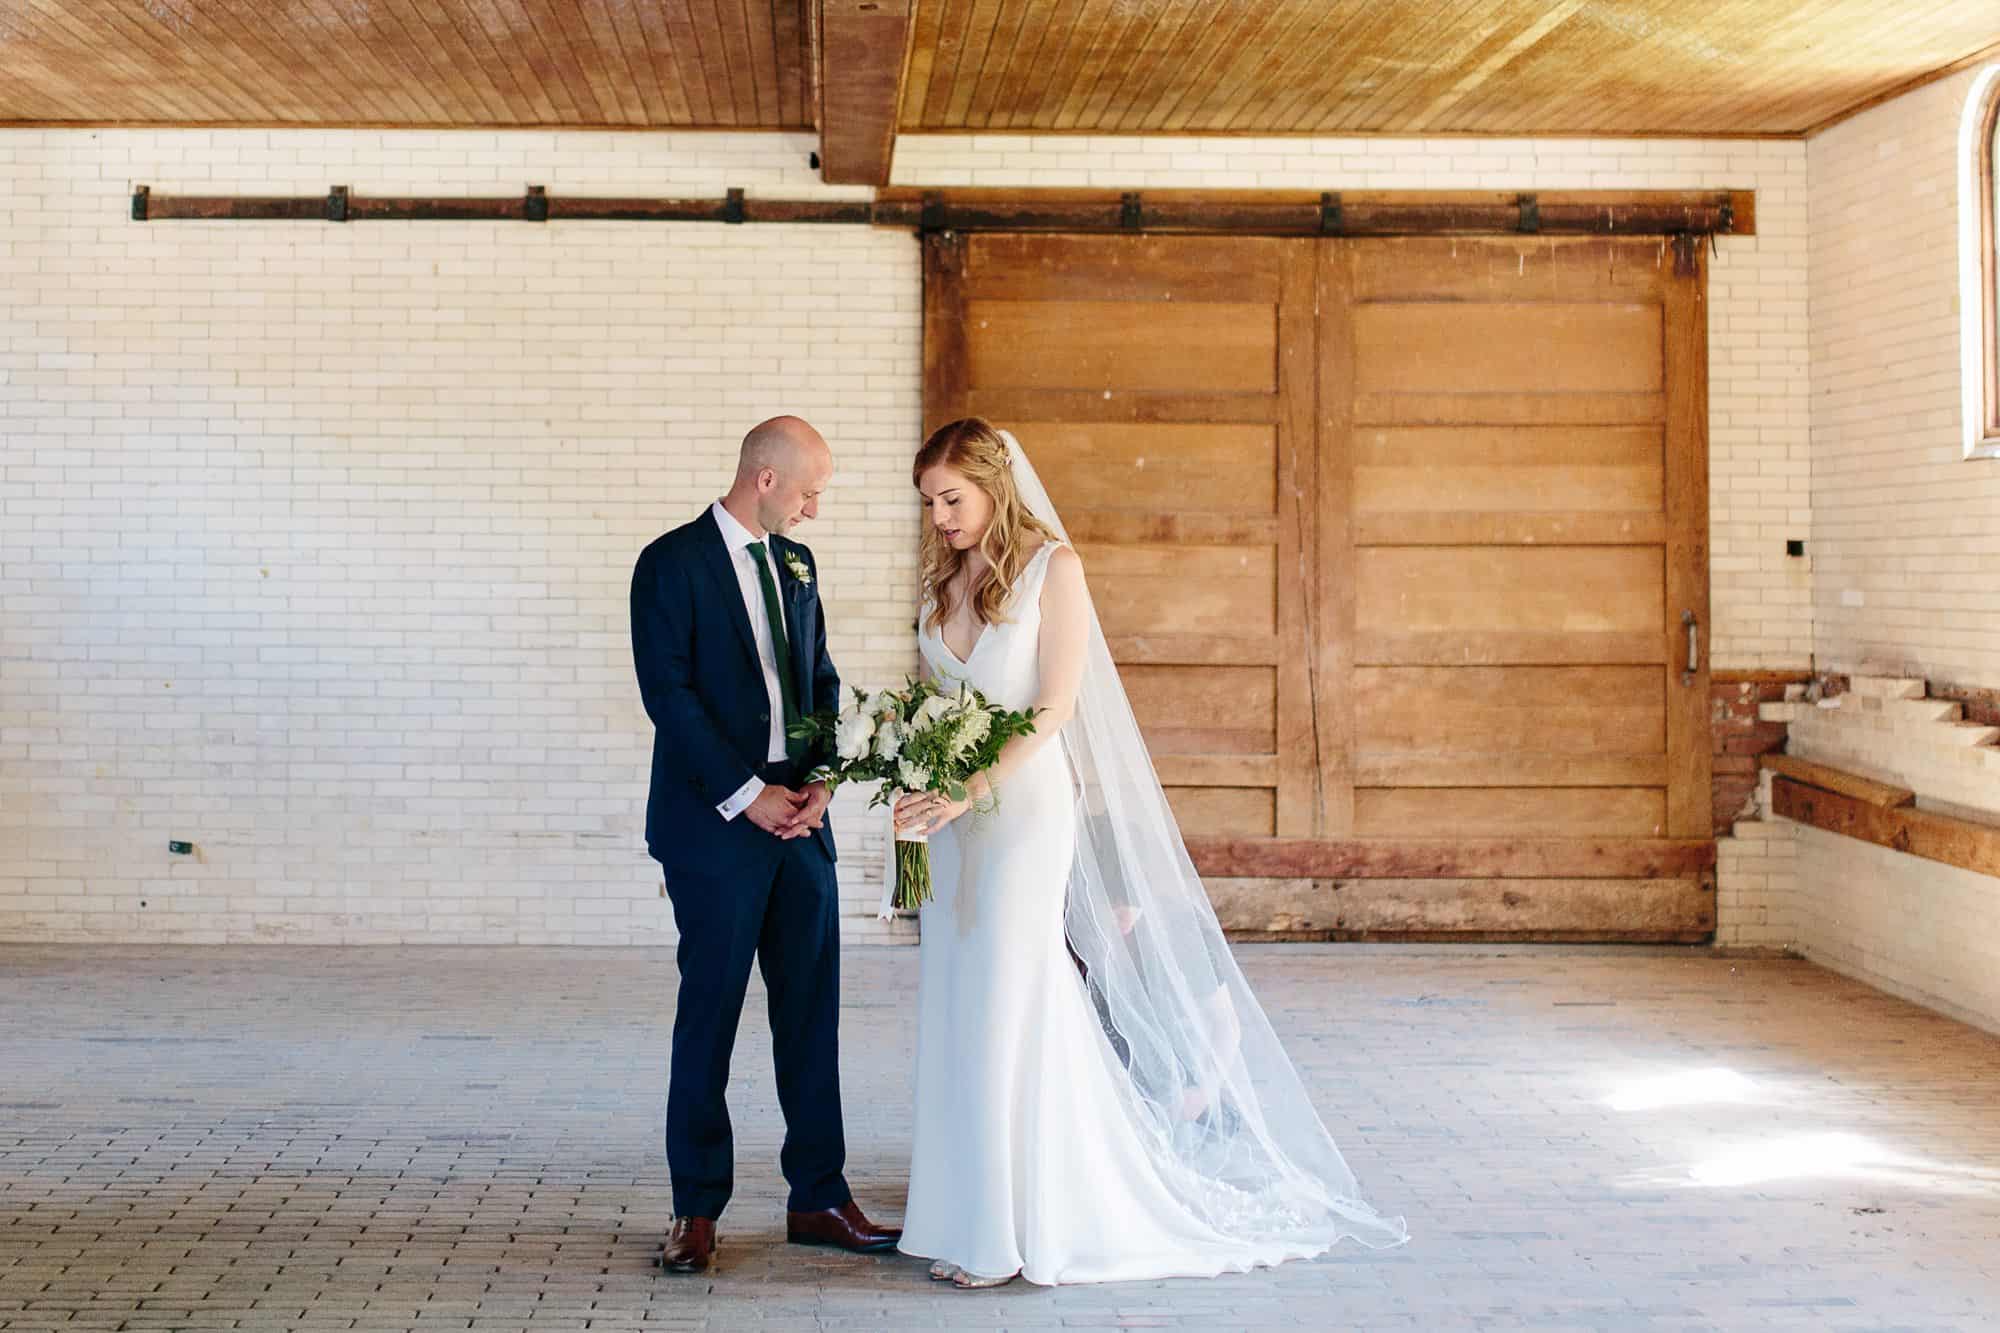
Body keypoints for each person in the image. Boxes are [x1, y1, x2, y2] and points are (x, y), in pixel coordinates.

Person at [892, 418, 1408, 1288]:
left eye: (953, 498)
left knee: (1012, 996)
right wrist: (915, 779)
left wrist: (974, 788)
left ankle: (1013, 1231)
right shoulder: (943, 583)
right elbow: (931, 705)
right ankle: (967, 1210)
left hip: (1020, 812)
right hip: (948, 820)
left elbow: (1053, 707)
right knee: (956, 999)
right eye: (931, 503)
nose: (940, 516)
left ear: (995, 486)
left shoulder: (1056, 570)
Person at [629, 415, 899, 1274]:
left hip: (800, 819)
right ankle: (694, 1209)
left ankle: (818, 1195)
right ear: (768, 479)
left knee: (811, 1013)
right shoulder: (669, 562)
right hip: (717, 822)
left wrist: (822, 779)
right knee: (708, 1014)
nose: (816, 511)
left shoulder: (797, 563)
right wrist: (748, 798)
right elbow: (668, 695)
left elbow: (817, 675)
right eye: (811, 491)